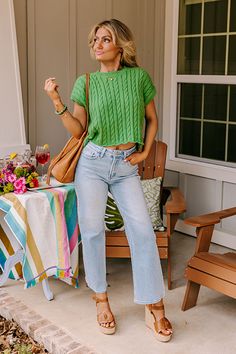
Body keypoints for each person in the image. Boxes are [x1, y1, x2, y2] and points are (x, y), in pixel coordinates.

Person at [44, 18, 172, 342]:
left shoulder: (138, 77)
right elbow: (78, 131)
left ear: (121, 45)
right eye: (95, 40)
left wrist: (143, 154)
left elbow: (152, 119)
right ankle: (101, 299)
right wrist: (57, 101)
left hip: (126, 165)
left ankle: (153, 304)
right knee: (93, 231)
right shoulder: (85, 82)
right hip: (93, 163)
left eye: (105, 39)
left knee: (143, 231)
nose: (97, 45)